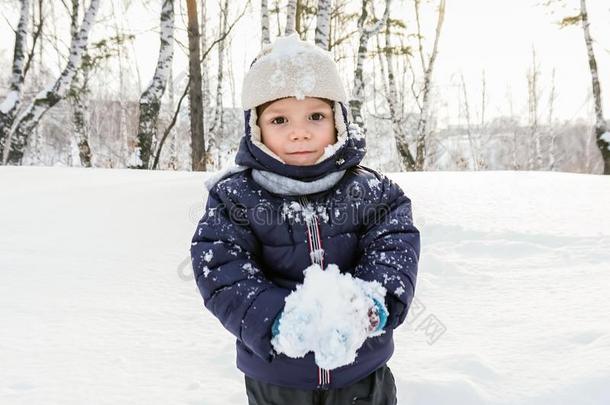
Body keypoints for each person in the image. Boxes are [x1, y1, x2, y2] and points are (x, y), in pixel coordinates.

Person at [190, 34, 420, 405]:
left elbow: (394, 248)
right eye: (279, 119)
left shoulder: (372, 192)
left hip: (362, 373)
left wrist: (367, 304)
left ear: (339, 120)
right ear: (256, 128)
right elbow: (221, 269)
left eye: (316, 115)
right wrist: (276, 319)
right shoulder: (236, 197)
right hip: (277, 376)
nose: (300, 131)